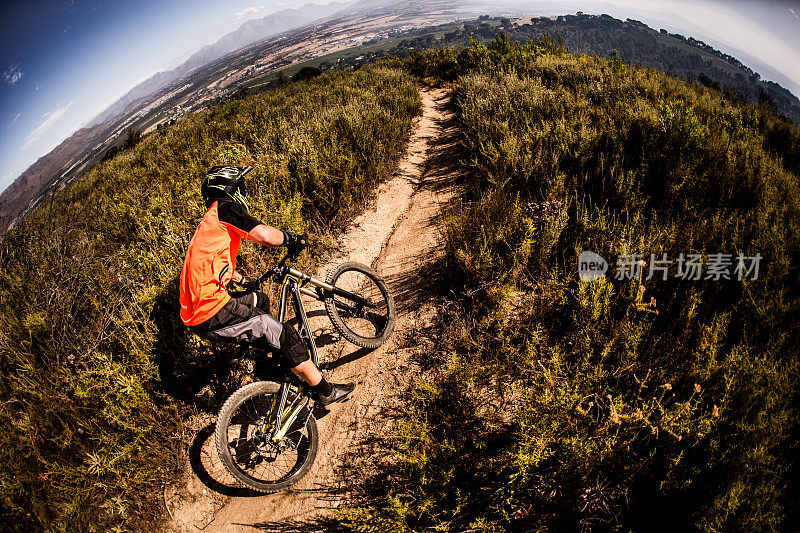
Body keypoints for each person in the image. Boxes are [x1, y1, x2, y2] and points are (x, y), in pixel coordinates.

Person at [179, 165, 354, 405]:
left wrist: (244, 281)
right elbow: (264, 236)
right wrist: (293, 239)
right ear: (229, 188)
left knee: (260, 300)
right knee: (286, 336)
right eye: (240, 186)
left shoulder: (208, 224)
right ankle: (325, 391)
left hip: (196, 312)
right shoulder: (225, 209)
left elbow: (213, 264)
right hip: (212, 310)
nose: (244, 191)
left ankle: (267, 366)